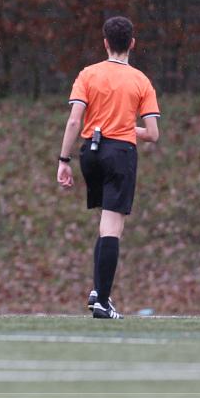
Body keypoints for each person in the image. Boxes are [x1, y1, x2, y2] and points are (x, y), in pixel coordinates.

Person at [57, 16, 160, 320]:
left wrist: (64, 160)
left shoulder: (88, 74)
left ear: (105, 43)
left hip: (90, 151)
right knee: (113, 225)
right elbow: (153, 133)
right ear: (132, 43)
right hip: (120, 152)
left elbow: (75, 120)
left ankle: (97, 290)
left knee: (106, 221)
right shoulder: (141, 81)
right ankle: (102, 299)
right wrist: (129, 128)